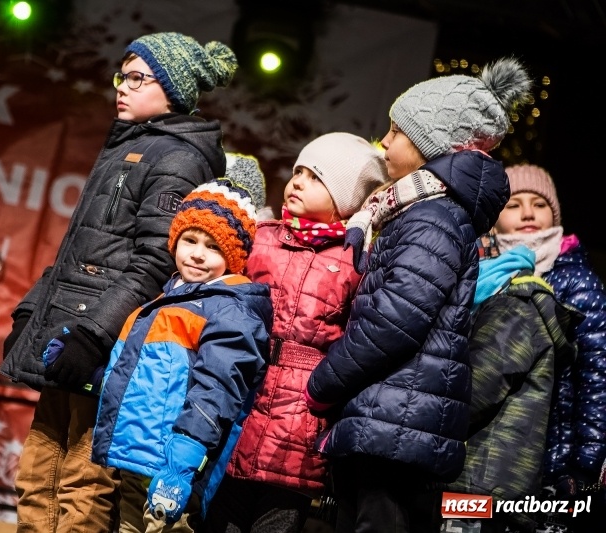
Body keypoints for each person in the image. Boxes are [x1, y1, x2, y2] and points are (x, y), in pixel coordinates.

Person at [0, 32, 238, 533]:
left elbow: (154, 262)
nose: (122, 88)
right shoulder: (130, 145)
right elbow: (80, 249)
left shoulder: (178, 158)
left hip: (103, 344)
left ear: (171, 89)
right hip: (67, 334)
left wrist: (93, 334)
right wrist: (32, 309)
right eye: (120, 77)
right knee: (37, 478)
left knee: (82, 487)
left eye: (137, 78)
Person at [304, 56, 533, 532]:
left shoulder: (432, 218)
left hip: (395, 423)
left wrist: (323, 383)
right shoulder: (422, 212)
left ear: (433, 144)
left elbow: (394, 320)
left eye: (397, 131)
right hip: (394, 416)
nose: (384, 142)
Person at [201, 132, 389, 533]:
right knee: (219, 514)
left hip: (303, 413)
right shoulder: (262, 237)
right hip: (245, 391)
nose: (298, 181)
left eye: (316, 177)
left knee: (278, 517)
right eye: (298, 171)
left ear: (346, 199)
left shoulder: (357, 257)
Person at [90, 177, 271, 533]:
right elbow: (142, 374)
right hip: (139, 461)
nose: (197, 254)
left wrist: (180, 467)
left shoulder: (230, 312)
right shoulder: (167, 298)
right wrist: (92, 377)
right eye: (189, 240)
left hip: (173, 470)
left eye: (213, 247)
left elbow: (215, 393)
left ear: (234, 257)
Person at [495, 164, 606, 532]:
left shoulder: (576, 280)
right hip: (490, 458)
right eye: (514, 204)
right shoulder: (482, 275)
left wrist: (584, 463)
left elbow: (597, 376)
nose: (528, 212)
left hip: (554, 461)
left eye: (539, 203)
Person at [444, 232, 579, 533]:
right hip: (497, 484)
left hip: (477, 484)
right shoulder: (514, 304)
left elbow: (478, 388)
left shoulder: (513, 306)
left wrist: (427, 418)